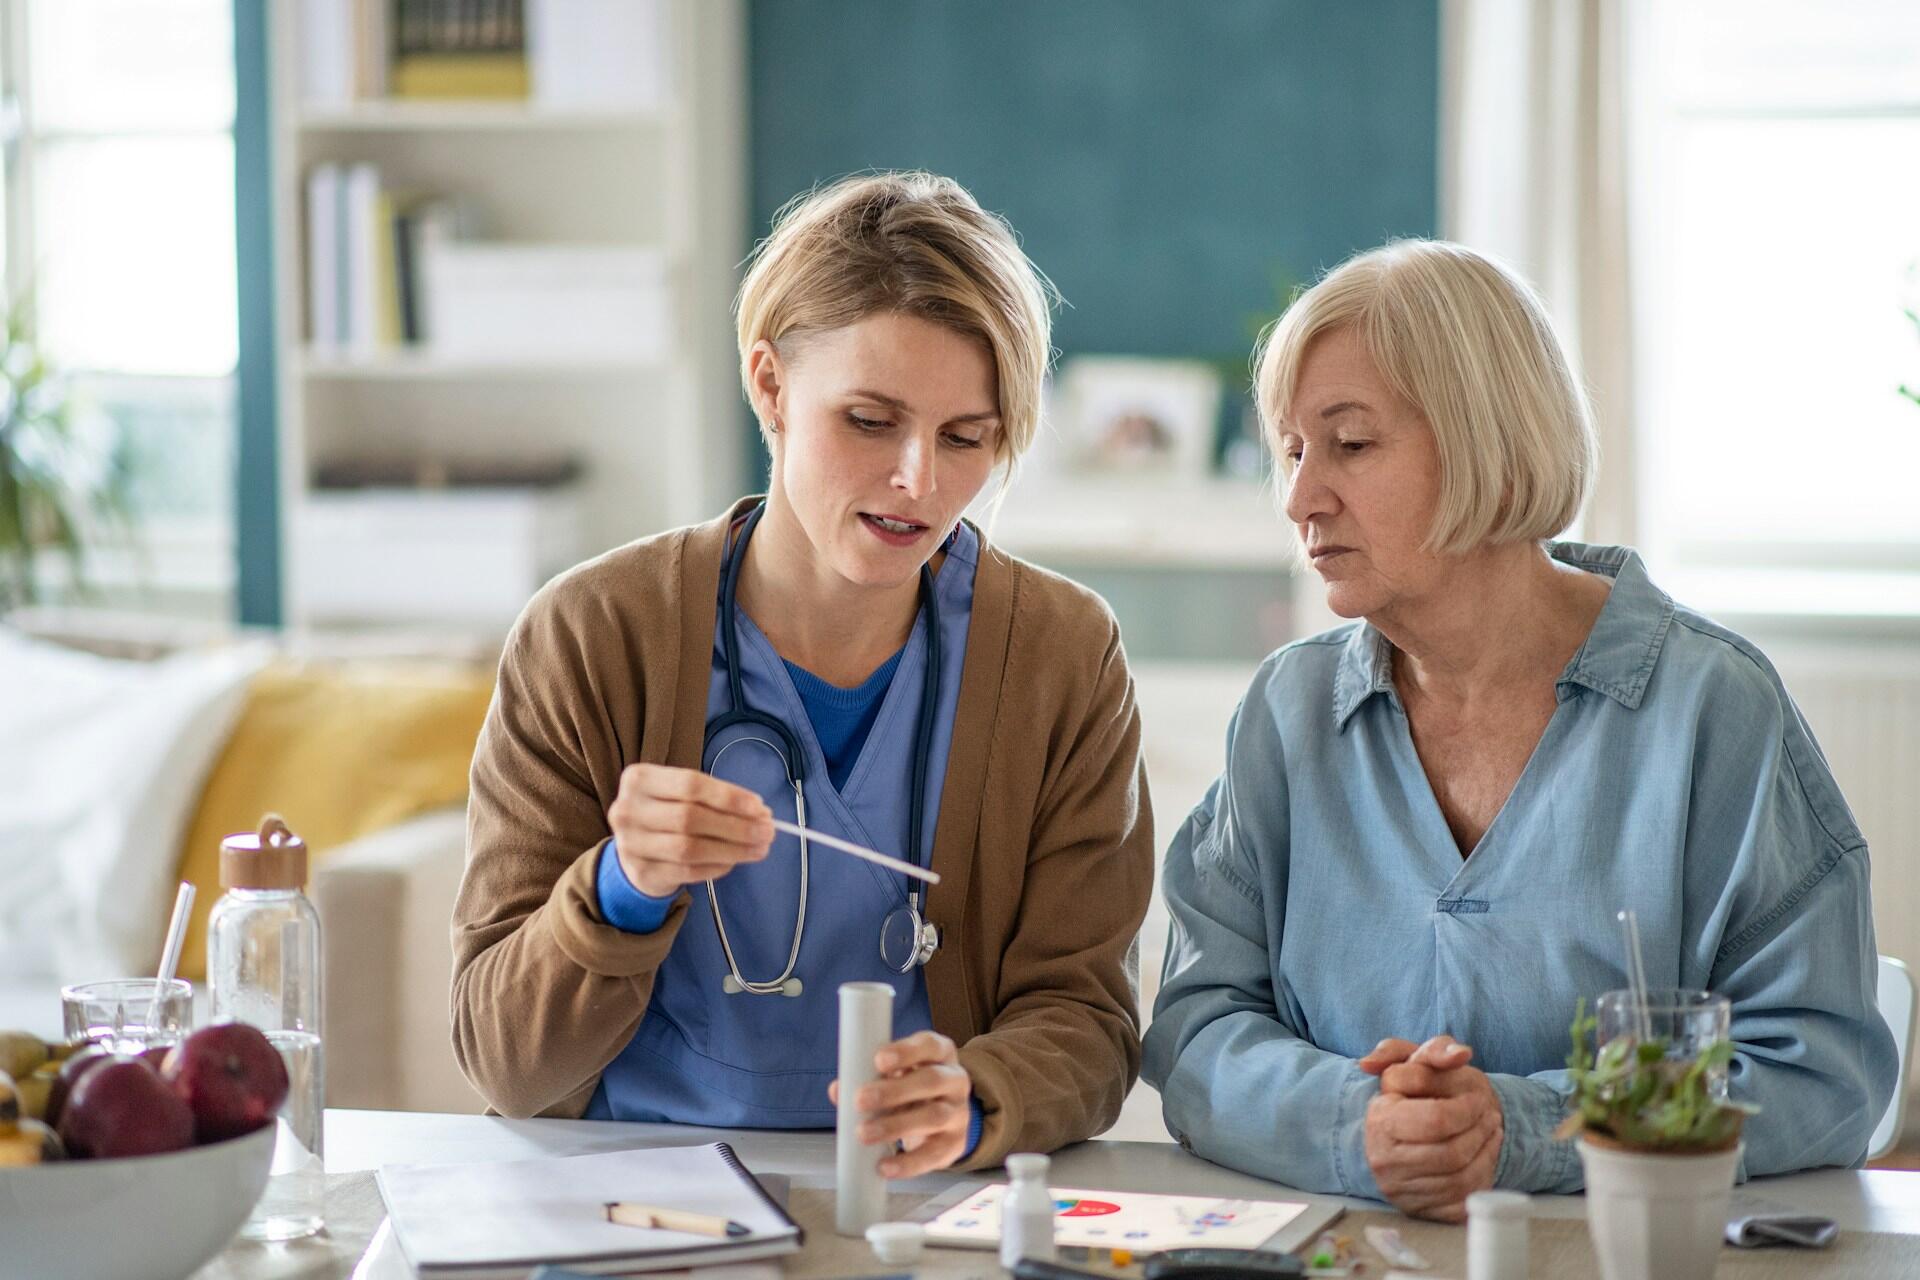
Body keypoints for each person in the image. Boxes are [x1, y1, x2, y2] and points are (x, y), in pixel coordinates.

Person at [1142, 239, 1897, 1220]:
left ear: (1483, 437)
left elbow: (1823, 1073)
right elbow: (1196, 1028)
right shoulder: (1286, 715)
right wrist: (1360, 1121)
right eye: (1291, 449)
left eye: (1351, 444)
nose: (1299, 496)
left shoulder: (1715, 710)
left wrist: (1527, 1125)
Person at [451, 172, 1154, 1176]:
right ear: (770, 385)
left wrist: (979, 1096)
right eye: (870, 419)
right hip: (628, 1191)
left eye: (968, 437)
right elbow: (504, 1060)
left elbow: (1087, 1021)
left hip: (917, 1195)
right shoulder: (591, 634)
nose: (919, 479)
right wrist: (622, 885)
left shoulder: (1061, 654)